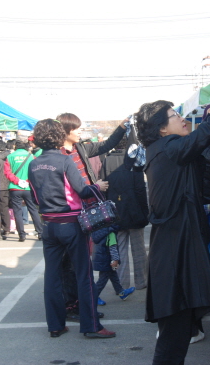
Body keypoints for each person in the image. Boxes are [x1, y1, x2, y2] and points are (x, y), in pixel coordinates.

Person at [134, 96, 210, 364]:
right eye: (175, 116)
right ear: (162, 128)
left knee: (179, 326)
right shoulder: (169, 148)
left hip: (175, 245)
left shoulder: (163, 149)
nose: (182, 118)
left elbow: (200, 149)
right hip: (174, 251)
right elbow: (205, 135)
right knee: (174, 331)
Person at [27, 118, 115, 339]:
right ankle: (91, 326)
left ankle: (55, 325)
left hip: (49, 225)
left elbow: (35, 197)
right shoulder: (65, 160)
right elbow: (83, 191)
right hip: (71, 224)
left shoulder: (33, 164)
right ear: (59, 136)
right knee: (84, 275)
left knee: (52, 277)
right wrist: (97, 187)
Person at [56, 113, 127, 317]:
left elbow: (106, 145)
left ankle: (82, 305)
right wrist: (95, 187)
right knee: (69, 263)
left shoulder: (80, 148)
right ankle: (72, 305)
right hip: (69, 214)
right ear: (65, 131)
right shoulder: (56, 155)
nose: (80, 132)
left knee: (82, 261)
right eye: (76, 128)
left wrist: (122, 127)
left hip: (89, 212)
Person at [99, 136, 149, 292]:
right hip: (135, 210)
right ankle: (142, 281)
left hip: (115, 211)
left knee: (119, 248)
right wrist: (145, 211)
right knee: (138, 248)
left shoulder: (107, 160)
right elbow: (140, 188)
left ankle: (122, 284)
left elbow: (104, 187)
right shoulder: (134, 161)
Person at [4, 139, 43, 241]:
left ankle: (21, 235)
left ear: (15, 147)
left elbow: (7, 173)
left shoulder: (10, 157)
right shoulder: (31, 156)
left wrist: (17, 181)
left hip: (14, 187)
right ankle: (40, 233)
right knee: (33, 210)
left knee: (17, 211)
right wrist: (27, 181)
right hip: (28, 187)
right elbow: (36, 171)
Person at [91, 225, 136, 304]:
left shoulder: (99, 230)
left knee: (113, 276)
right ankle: (94, 297)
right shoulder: (111, 232)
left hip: (101, 259)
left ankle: (121, 292)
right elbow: (113, 248)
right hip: (107, 260)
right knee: (102, 280)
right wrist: (115, 260)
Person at [0, 140, 12, 239]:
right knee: (5, 208)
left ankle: (4, 228)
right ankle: (7, 228)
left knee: (0, 208)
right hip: (9, 184)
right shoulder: (10, 156)